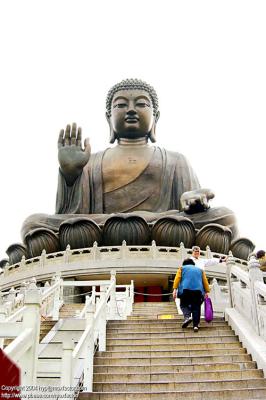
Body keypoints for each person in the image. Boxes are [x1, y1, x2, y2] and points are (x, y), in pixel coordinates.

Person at [21, 79, 237, 243]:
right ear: (109, 117)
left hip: (166, 226)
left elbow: (193, 210)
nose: (131, 109)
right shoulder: (92, 162)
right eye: (121, 105)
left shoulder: (175, 160)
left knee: (225, 217)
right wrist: (70, 175)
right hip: (102, 228)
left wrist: (193, 202)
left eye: (141, 104)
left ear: (156, 117)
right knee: (33, 224)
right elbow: (69, 216)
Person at [173, 258, 210, 332]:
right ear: (193, 264)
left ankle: (187, 317)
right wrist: (207, 291)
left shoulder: (182, 268)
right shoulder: (200, 270)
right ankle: (195, 325)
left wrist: (175, 289)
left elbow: (177, 278)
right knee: (196, 307)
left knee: (183, 304)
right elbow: (205, 281)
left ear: (184, 264)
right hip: (198, 291)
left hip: (186, 289)